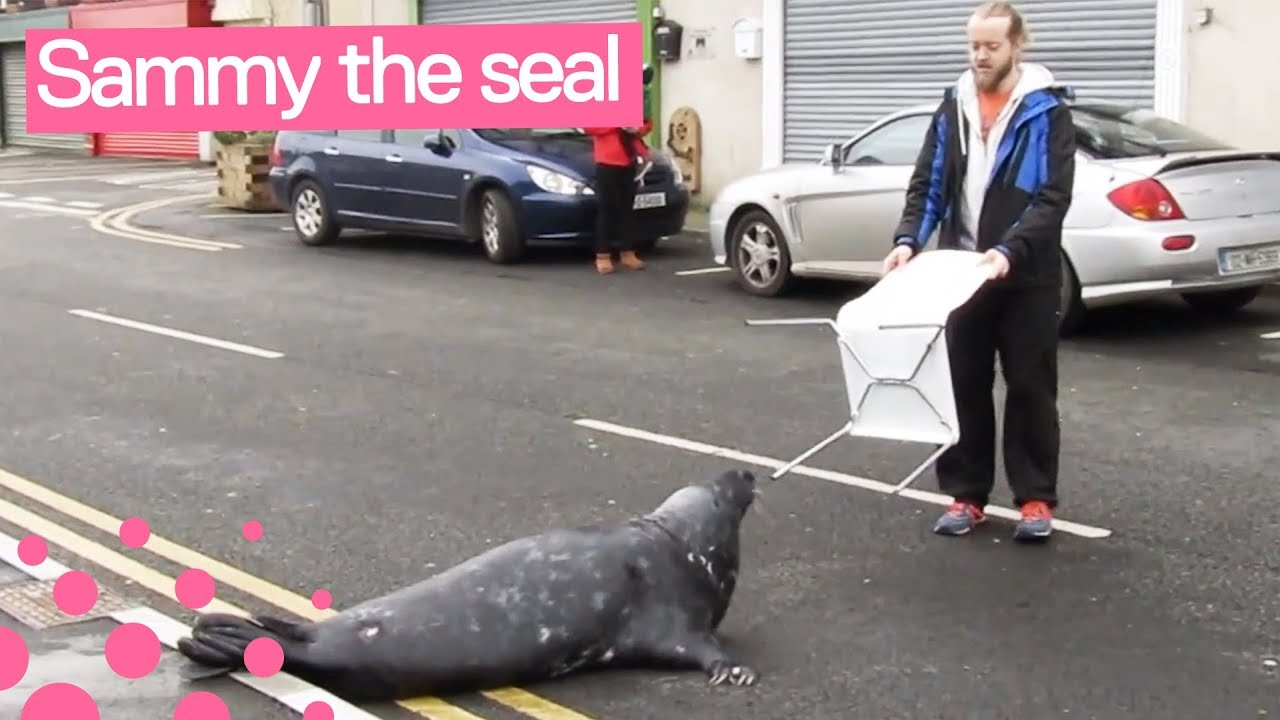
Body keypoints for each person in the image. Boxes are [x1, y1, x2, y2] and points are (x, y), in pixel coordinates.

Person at [881, 1, 1076, 541]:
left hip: (1026, 275)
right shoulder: (955, 105)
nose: (980, 56)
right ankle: (966, 497)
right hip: (961, 272)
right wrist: (907, 241)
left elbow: (1053, 194)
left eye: (991, 45)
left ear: (1018, 45)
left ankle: (1036, 500)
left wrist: (1010, 250)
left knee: (1031, 388)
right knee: (964, 385)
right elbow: (929, 182)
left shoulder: (1046, 111)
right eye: (973, 45)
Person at [583, 64, 655, 275]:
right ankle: (602, 256)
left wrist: (637, 128)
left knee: (627, 208)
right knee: (606, 208)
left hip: (629, 157)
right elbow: (589, 126)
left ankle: (627, 252)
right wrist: (617, 123)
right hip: (607, 159)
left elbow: (647, 123)